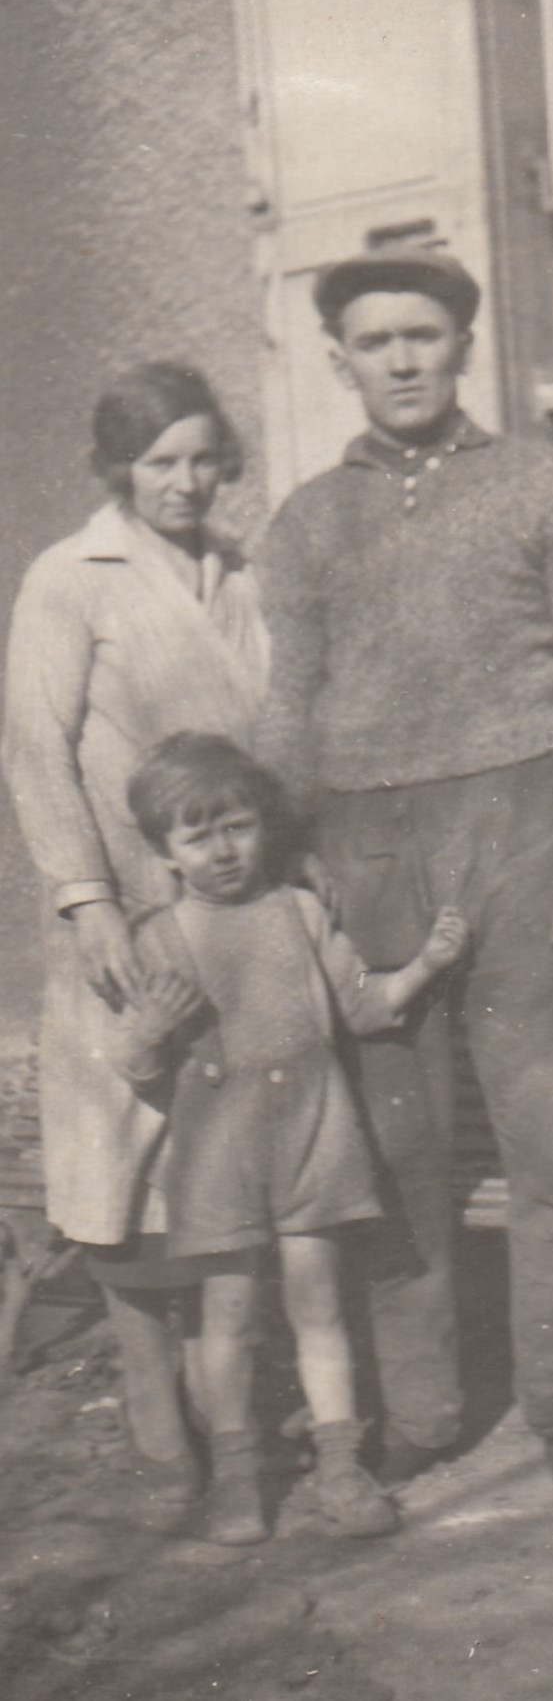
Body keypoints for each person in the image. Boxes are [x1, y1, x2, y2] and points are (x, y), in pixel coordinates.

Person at [257, 242, 553, 1504]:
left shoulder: (541, 483)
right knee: (397, 1148)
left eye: (422, 336)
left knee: (549, 1141)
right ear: (341, 363)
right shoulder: (306, 522)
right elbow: (289, 705)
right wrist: (286, 860)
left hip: (526, 831)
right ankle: (422, 1412)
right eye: (376, 342)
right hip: (366, 847)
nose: (403, 361)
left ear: (464, 348)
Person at [2, 364, 269, 1513]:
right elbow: (35, 750)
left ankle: (231, 1423)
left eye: (204, 459)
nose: (185, 482)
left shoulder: (239, 574)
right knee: (122, 1168)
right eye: (161, 462)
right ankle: (162, 1437)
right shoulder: (70, 578)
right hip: (118, 913)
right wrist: (87, 899)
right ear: (120, 468)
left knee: (219, 1172)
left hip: (231, 907)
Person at [116, 732, 468, 1544]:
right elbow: (135, 1069)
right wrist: (149, 1032)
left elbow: (363, 1006)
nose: (223, 852)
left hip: (315, 1137)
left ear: (262, 828)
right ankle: (237, 1479)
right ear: (165, 854)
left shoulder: (300, 912)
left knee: (319, 1307)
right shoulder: (159, 938)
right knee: (228, 1316)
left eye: (237, 827)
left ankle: (340, 1469)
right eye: (197, 838)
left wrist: (427, 964)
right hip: (218, 1156)